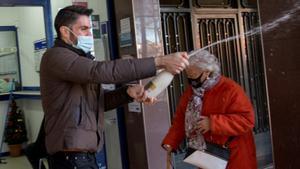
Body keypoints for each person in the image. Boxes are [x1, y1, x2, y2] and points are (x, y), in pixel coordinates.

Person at [33, 5, 189, 169]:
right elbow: (100, 71)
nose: (89, 35)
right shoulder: (55, 57)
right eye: (84, 29)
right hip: (70, 155)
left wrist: (127, 93)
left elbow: (98, 102)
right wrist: (159, 61)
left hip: (82, 153)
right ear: (65, 31)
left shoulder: (77, 60)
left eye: (90, 29)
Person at [162, 50, 257, 169]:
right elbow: (181, 120)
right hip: (207, 156)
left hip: (234, 155)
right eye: (187, 74)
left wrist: (213, 123)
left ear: (207, 72)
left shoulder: (230, 89)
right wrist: (171, 142)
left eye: (193, 74)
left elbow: (247, 120)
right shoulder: (191, 92)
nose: (190, 78)